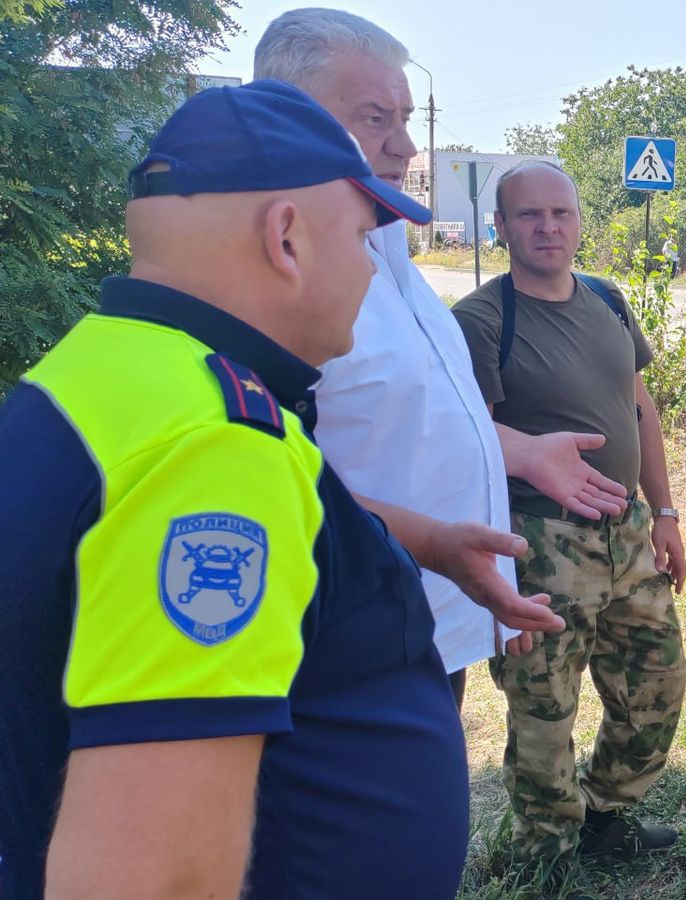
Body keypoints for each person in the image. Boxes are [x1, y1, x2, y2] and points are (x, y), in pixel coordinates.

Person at [0, 80, 550, 900]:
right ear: (287, 237)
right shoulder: (213, 447)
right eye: (364, 240)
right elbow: (155, 876)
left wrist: (425, 541)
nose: (371, 272)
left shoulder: (112, 372)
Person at [253, 8, 629, 706]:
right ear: (291, 116)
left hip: (427, 620)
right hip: (342, 645)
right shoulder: (274, 281)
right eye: (376, 118)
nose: (404, 146)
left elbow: (415, 419)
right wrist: (433, 545)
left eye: (405, 116)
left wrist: (519, 453)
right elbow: (259, 483)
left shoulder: (389, 251)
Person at [452, 161, 686, 874]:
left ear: (580, 221)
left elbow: (639, 408)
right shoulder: (482, 320)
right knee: (544, 710)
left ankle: (604, 814)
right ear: (500, 227)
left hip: (628, 532)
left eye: (561, 213)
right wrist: (497, 570)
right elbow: (466, 445)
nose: (548, 227)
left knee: (658, 683)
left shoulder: (610, 301)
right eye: (529, 215)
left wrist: (666, 513)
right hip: (539, 542)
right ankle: (544, 856)